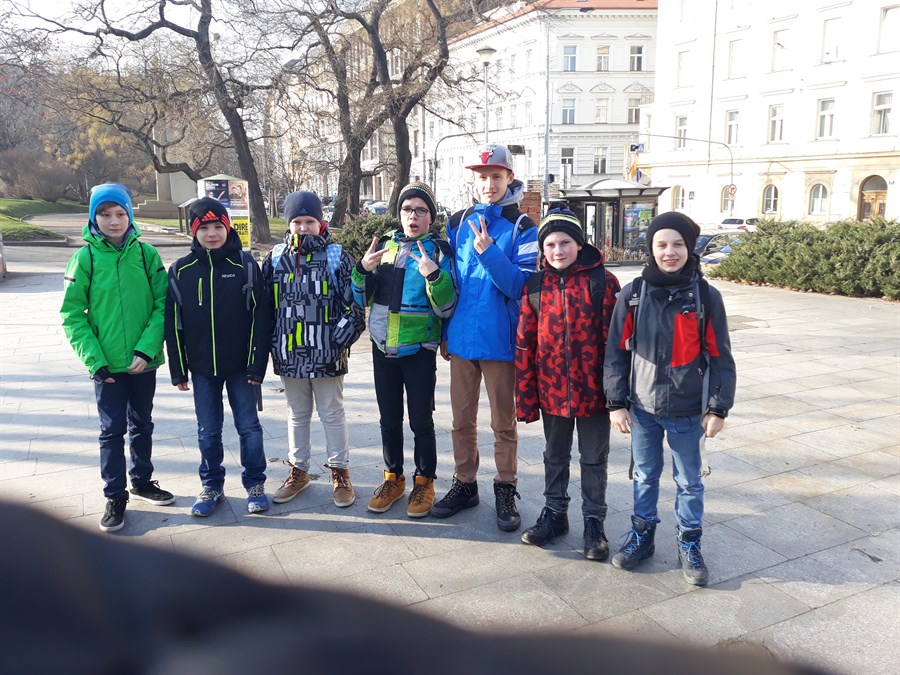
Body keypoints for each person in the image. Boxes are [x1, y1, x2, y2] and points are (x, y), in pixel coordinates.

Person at [604, 211, 737, 586]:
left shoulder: (706, 297)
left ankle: (689, 542)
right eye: (661, 244)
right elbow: (615, 353)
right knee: (644, 476)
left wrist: (718, 407)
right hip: (642, 409)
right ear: (651, 249)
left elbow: (720, 357)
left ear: (690, 247)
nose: (669, 252)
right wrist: (616, 402)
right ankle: (642, 537)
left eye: (678, 244)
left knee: (690, 482)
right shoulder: (633, 295)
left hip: (687, 411)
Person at [430, 144, 538, 532]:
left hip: (500, 341)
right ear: (473, 181)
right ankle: (465, 484)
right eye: (482, 177)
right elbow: (453, 283)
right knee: (461, 420)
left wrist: (490, 253)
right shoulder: (458, 222)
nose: (488, 184)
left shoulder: (523, 227)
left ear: (509, 178)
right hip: (461, 338)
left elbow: (521, 286)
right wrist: (446, 331)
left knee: (503, 424)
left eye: (496, 176)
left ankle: (506, 487)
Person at [60, 182, 174, 533]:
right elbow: (72, 315)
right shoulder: (85, 259)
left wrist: (146, 348)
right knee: (111, 432)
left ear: (130, 216)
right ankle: (114, 495)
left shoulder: (147, 255)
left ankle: (142, 481)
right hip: (106, 365)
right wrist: (95, 361)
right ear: (93, 218)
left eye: (120, 213)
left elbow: (162, 305)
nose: (113, 221)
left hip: (143, 362)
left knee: (142, 424)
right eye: (105, 214)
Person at [515, 207, 620, 559]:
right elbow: (525, 343)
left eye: (565, 243)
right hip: (552, 391)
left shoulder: (603, 282)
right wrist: (526, 396)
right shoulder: (535, 286)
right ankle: (555, 513)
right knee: (554, 455)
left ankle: (594, 522)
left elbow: (616, 343)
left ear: (579, 244)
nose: (558, 250)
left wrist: (616, 395)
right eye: (550, 245)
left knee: (594, 458)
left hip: (594, 393)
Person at [351, 182, 457, 518]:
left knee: (421, 420)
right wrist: (362, 271)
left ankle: (424, 482)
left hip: (419, 350)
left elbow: (447, 307)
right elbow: (360, 298)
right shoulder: (385, 246)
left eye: (420, 210)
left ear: (430, 216)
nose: (413, 216)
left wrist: (434, 276)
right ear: (399, 214)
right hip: (382, 348)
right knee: (389, 419)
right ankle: (392, 479)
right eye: (407, 209)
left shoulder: (440, 251)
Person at [164, 198, 272, 517]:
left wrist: (257, 365)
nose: (212, 234)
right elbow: (173, 323)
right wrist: (178, 369)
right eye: (204, 228)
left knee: (249, 427)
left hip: (241, 368)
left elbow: (261, 318)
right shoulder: (180, 270)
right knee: (208, 430)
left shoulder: (245, 265)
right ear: (194, 232)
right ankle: (211, 486)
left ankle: (255, 484)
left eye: (217, 227)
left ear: (228, 228)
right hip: (201, 369)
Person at [264, 191, 365, 508]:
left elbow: (354, 304)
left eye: (309, 221)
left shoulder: (337, 257)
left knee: (332, 413)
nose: (303, 227)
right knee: (297, 414)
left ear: (320, 222)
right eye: (297, 221)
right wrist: (270, 343)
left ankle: (340, 471)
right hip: (289, 354)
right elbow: (264, 306)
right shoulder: (275, 257)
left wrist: (337, 341)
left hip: (327, 354)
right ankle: (299, 471)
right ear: (288, 223)